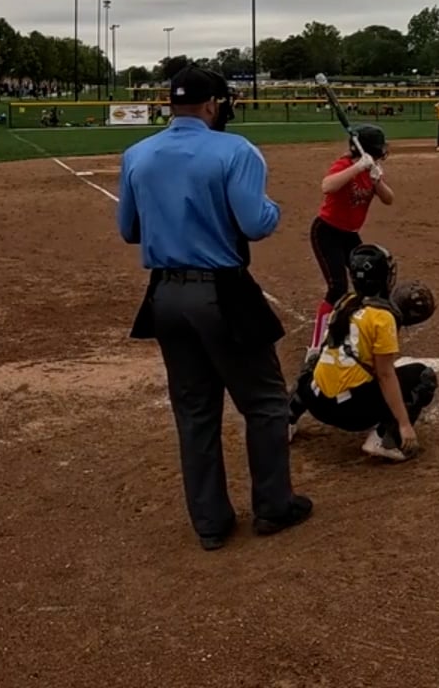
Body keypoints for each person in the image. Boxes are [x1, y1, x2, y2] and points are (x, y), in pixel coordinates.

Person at [117, 66, 309, 550]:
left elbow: (129, 230)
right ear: (211, 105)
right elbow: (255, 223)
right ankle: (274, 506)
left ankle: (210, 523)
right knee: (265, 403)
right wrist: (272, 208)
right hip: (221, 291)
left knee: (195, 410)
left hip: (164, 296)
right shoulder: (235, 150)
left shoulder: (137, 154)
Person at [295, 245, 437, 462]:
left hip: (314, 400)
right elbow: (385, 375)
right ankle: (385, 438)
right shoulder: (383, 317)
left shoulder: (344, 302)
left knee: (316, 358)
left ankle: (287, 416)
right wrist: (404, 424)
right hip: (350, 413)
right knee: (423, 376)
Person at [304, 124, 394, 359]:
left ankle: (364, 329)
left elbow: (389, 199)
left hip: (349, 234)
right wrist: (357, 167)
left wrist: (377, 181)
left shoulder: (373, 169)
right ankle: (315, 348)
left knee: (371, 279)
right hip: (327, 231)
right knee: (337, 287)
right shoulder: (345, 165)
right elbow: (327, 186)